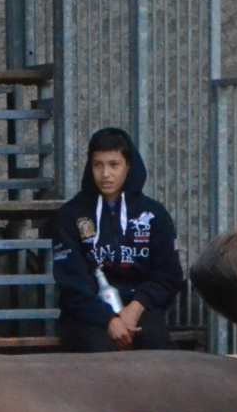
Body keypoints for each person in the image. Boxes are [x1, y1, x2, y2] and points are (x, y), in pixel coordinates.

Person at [51, 127, 184, 352]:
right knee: (100, 352)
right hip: (87, 316)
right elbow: (71, 284)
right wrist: (109, 320)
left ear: (128, 166)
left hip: (140, 309)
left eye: (114, 165)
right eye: (98, 165)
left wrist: (135, 309)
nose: (105, 174)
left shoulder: (153, 215)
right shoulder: (71, 215)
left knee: (157, 349)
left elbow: (168, 275)